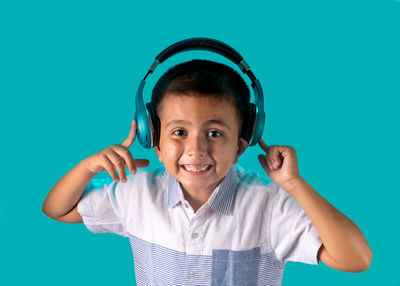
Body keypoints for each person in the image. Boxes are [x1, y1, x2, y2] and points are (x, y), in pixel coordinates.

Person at [42, 59, 372, 285]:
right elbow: (58, 209)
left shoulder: (269, 205)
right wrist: (87, 168)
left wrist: (293, 183)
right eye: (179, 132)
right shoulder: (135, 193)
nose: (196, 150)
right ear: (152, 138)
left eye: (214, 133)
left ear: (243, 144)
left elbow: (356, 258)